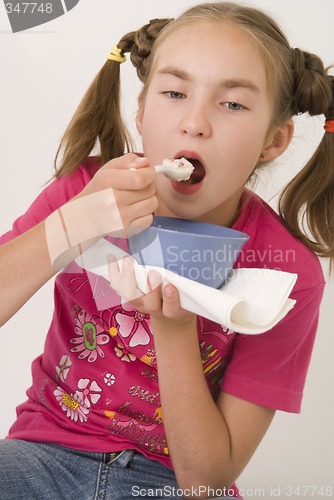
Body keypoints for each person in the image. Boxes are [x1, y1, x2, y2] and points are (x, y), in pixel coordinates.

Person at [0, 2, 333, 499]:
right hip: (41, 454)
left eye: (234, 104)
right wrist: (70, 224)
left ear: (274, 140)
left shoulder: (286, 274)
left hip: (165, 483)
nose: (194, 124)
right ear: (140, 111)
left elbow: (206, 482)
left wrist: (175, 330)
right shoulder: (84, 191)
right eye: (174, 93)